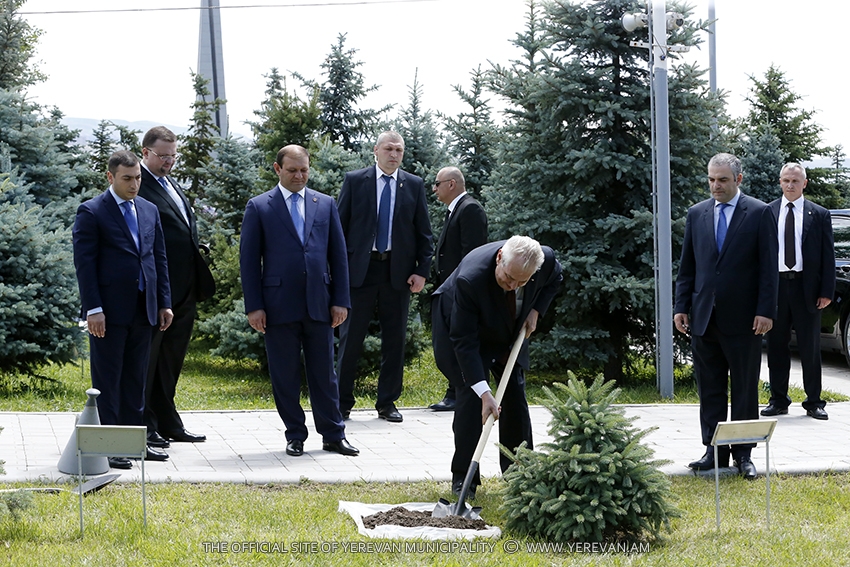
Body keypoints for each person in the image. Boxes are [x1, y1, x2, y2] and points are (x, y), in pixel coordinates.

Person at [241, 145, 358, 457]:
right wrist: (254, 306)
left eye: (304, 170)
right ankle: (295, 434)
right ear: (277, 169)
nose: (299, 176)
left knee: (325, 375)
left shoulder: (325, 204)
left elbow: (338, 256)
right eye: (292, 170)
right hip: (277, 305)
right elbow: (249, 262)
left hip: (319, 303)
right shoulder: (259, 207)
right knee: (285, 375)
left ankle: (333, 434)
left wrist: (341, 300)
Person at [674, 152, 778, 480]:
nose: (715, 186)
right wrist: (681, 307)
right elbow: (688, 267)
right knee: (710, 388)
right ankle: (714, 451)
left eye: (722, 180)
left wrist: (765, 311)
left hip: (745, 320)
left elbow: (768, 268)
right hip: (704, 317)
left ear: (738, 179)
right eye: (711, 179)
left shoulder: (759, 212)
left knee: (745, 388)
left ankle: (744, 454)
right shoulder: (697, 213)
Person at [432, 236, 562, 498]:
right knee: (471, 400)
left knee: (515, 397)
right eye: (509, 278)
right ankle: (464, 480)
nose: (513, 285)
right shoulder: (470, 279)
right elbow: (464, 341)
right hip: (463, 330)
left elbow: (555, 278)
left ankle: (520, 476)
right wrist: (484, 393)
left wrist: (536, 309)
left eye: (522, 282)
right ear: (500, 257)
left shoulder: (544, 260)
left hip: (507, 328)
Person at [72, 151, 173, 469]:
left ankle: (133, 443)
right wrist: (94, 309)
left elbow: (158, 258)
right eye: (127, 178)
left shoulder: (149, 209)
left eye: (138, 178)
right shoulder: (92, 212)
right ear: (110, 177)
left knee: (135, 379)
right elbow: (85, 265)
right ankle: (109, 447)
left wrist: (164, 302)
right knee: (108, 380)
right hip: (108, 313)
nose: (134, 184)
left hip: (144, 309)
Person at [336, 131, 433, 423]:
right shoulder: (356, 181)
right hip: (360, 273)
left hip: (397, 273)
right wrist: (338, 272)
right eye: (389, 149)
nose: (394, 154)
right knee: (351, 339)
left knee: (395, 340)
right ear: (376, 150)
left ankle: (387, 402)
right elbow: (338, 229)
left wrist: (421, 271)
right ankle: (341, 402)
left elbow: (424, 233)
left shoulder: (413, 185)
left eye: (399, 150)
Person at [138, 126, 215, 449]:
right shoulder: (139, 186)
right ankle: (145, 425)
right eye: (162, 156)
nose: (169, 161)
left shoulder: (170, 184)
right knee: (150, 360)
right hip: (158, 290)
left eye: (173, 156)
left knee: (171, 360)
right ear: (145, 153)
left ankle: (168, 421)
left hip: (185, 287)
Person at [763, 163, 835, 420]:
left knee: (810, 347)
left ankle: (814, 401)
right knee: (776, 346)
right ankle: (778, 400)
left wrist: (826, 291)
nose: (790, 185)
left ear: (804, 183)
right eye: (786, 180)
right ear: (780, 182)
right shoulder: (768, 212)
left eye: (795, 181)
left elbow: (828, 255)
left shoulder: (819, 214)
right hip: (777, 287)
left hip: (807, 288)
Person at [428, 166, 488, 412]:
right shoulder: (456, 210)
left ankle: (460, 392)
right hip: (451, 289)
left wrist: (459, 289)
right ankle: (456, 391)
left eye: (437, 183)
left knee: (457, 342)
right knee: (448, 344)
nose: (434, 189)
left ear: (451, 184)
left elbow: (471, 256)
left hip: (459, 291)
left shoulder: (470, 209)